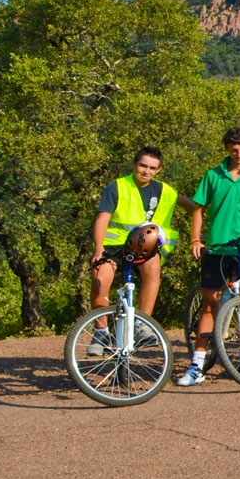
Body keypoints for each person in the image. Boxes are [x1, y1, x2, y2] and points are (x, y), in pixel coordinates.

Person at [178, 128, 240, 386]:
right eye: (234, 149)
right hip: (216, 248)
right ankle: (197, 365)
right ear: (226, 149)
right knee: (210, 303)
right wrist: (195, 238)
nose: (239, 154)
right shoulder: (213, 175)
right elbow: (198, 208)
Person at [87, 146, 178, 355]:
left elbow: (191, 205)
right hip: (114, 246)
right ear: (134, 165)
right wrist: (98, 248)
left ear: (159, 170)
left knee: (153, 268)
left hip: (143, 249)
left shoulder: (165, 191)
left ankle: (143, 325)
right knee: (100, 277)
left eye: (152, 168)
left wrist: (198, 232)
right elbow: (103, 218)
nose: (146, 171)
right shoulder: (117, 187)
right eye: (143, 165)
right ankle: (101, 332)